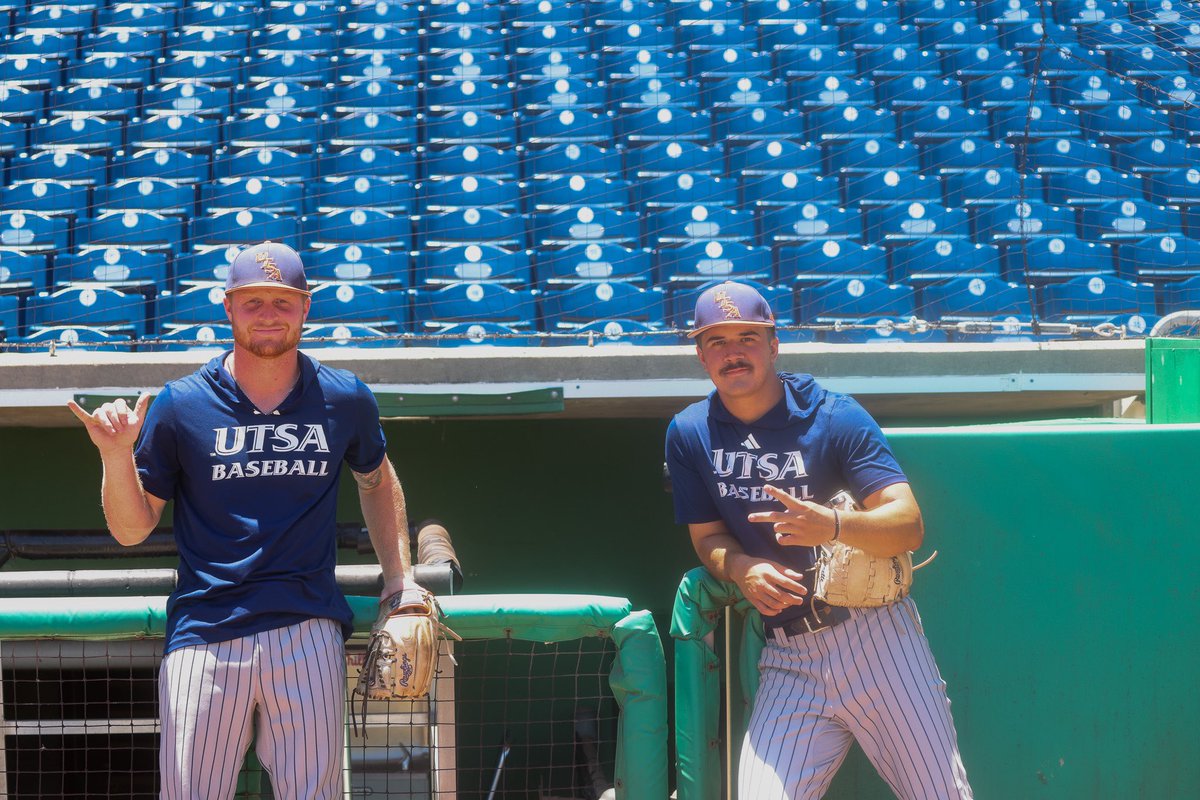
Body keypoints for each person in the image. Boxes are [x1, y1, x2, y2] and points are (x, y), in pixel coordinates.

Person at [68, 241, 410, 799]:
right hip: (204, 632)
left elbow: (377, 479)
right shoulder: (181, 404)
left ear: (305, 306)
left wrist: (400, 577)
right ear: (227, 308)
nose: (268, 314)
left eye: (282, 300)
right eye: (253, 302)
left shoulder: (344, 397)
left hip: (308, 627)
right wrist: (114, 456)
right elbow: (131, 529)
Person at [665, 281, 972, 799]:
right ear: (700, 353)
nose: (733, 352)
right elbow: (708, 537)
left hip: (876, 638)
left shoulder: (833, 415)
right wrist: (740, 567)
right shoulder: (689, 432)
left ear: (773, 344)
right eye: (717, 341)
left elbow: (909, 524)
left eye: (747, 336)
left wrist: (832, 525)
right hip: (788, 654)